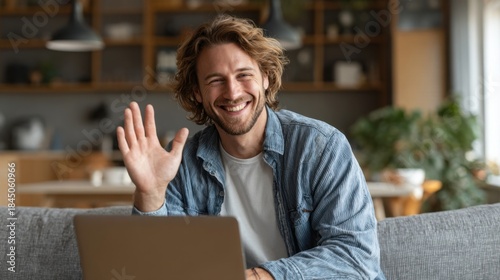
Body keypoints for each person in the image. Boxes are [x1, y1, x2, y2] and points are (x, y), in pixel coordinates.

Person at [117, 14, 385, 280]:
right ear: (197, 92)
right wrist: (151, 194)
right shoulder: (182, 163)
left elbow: (356, 258)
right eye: (215, 80)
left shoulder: (321, 147)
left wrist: (257, 277)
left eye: (243, 75)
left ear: (266, 77)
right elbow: (157, 268)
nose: (232, 93)